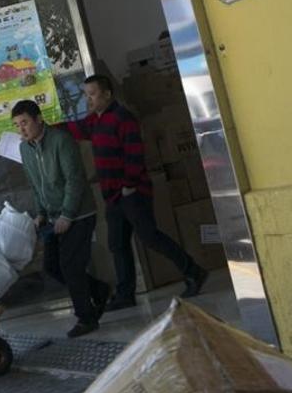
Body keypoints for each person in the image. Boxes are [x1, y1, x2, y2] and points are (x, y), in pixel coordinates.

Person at [59, 75, 207, 310]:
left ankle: (194, 272)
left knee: (150, 237)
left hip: (132, 193)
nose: (89, 100)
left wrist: (129, 185)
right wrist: (44, 128)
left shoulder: (122, 118)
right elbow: (73, 129)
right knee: (118, 244)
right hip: (113, 196)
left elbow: (134, 155)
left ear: (107, 94)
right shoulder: (94, 121)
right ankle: (125, 294)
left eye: (93, 94)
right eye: (86, 95)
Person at [11, 99, 110, 338]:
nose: (21, 129)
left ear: (38, 119)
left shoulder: (61, 141)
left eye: (24, 123)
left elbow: (74, 180)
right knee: (52, 266)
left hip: (79, 213)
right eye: (16, 125)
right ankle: (99, 289)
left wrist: (67, 214)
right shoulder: (25, 149)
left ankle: (86, 318)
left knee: (71, 266)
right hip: (54, 217)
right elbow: (35, 185)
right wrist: (41, 214)